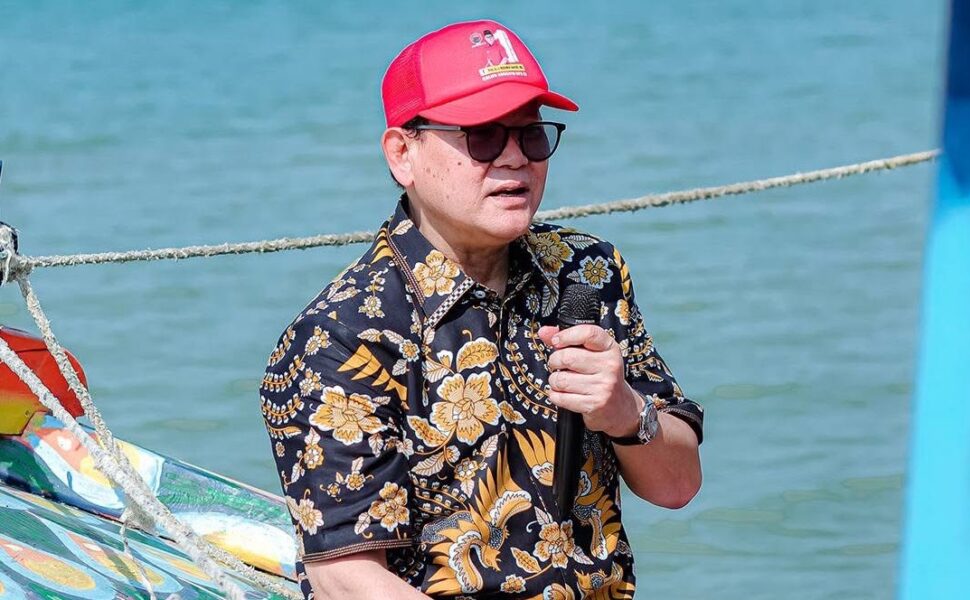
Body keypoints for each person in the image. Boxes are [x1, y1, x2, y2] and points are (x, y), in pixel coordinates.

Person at [259, 19, 704, 600]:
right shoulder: (341, 336)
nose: (516, 158)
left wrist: (623, 411)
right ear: (402, 154)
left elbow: (678, 486)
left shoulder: (587, 272)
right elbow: (345, 578)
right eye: (483, 136)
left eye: (532, 134)